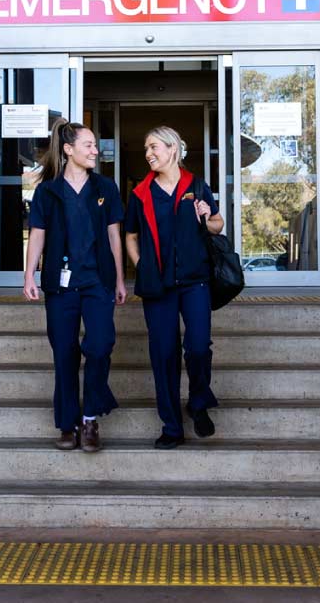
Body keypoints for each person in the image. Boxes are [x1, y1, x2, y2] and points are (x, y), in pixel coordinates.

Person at [23, 120, 126, 453]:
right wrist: (29, 276)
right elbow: (37, 234)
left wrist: (121, 278)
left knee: (99, 345)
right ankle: (69, 424)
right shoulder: (47, 191)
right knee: (64, 353)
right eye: (89, 145)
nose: (96, 150)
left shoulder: (105, 188)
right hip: (61, 285)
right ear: (68, 150)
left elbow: (114, 235)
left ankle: (91, 416)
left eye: (95, 145)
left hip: (97, 282)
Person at [123, 126, 223, 450]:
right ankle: (171, 424)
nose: (149, 153)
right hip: (159, 287)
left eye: (153, 147)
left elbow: (218, 224)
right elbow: (130, 236)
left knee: (197, 347)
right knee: (163, 355)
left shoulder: (196, 185)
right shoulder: (141, 194)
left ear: (172, 148)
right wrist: (141, 265)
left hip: (195, 282)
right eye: (146, 149)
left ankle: (198, 402)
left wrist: (207, 217)